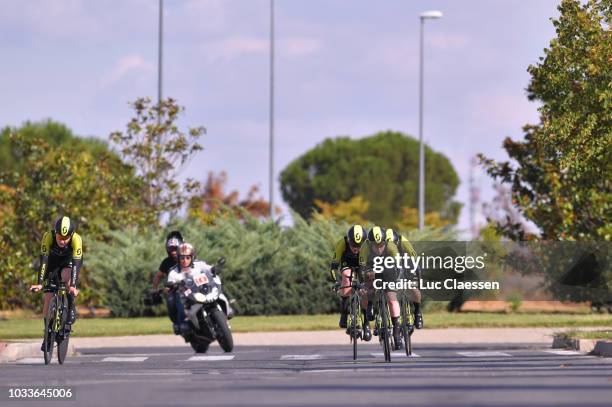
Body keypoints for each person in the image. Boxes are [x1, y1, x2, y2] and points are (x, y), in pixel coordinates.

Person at [29, 216, 83, 351]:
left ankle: (70, 308)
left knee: (68, 280)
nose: (63, 241)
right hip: (52, 263)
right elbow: (44, 261)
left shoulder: (77, 239)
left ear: (71, 235)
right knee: (48, 298)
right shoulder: (48, 237)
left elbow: (76, 264)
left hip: (69, 263)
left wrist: (73, 286)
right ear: (55, 233)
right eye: (60, 237)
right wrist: (40, 283)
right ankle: (47, 334)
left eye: (66, 238)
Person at [166, 242, 233, 334]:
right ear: (178, 258)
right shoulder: (174, 272)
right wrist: (172, 285)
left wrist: (215, 268)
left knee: (219, 289)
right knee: (175, 300)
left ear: (192, 257)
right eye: (182, 257)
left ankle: (227, 308)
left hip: (203, 291)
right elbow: (170, 282)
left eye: (187, 257)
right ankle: (182, 324)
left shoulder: (199, 264)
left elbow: (209, 269)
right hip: (187, 297)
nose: (185, 260)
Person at [359, 226, 404, 350]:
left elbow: (398, 266)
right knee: (368, 285)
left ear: (385, 241)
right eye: (375, 245)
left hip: (388, 270)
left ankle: (396, 329)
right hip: (371, 270)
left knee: (391, 298)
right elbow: (361, 267)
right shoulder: (366, 247)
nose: (379, 247)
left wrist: (397, 280)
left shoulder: (390, 246)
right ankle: (369, 306)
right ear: (370, 242)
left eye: (381, 244)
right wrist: (363, 283)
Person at [330, 224, 371, 341]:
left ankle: (366, 324)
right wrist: (337, 282)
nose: (356, 248)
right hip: (347, 263)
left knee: (365, 291)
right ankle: (344, 313)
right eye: (353, 245)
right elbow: (333, 266)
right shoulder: (342, 243)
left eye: (359, 245)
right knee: (346, 277)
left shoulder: (367, 246)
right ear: (348, 240)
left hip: (363, 265)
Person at [386, 228, 424, 329]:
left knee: (412, 287)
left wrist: (417, 269)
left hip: (404, 263)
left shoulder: (403, 241)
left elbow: (413, 254)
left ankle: (417, 312)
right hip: (389, 265)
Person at [152, 231, 183, 334]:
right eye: (171, 249)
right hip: (174, 289)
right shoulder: (166, 262)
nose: (173, 251)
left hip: (191, 286)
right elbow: (158, 276)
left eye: (175, 248)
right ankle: (178, 323)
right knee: (170, 301)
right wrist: (154, 289)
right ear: (167, 249)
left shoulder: (187, 256)